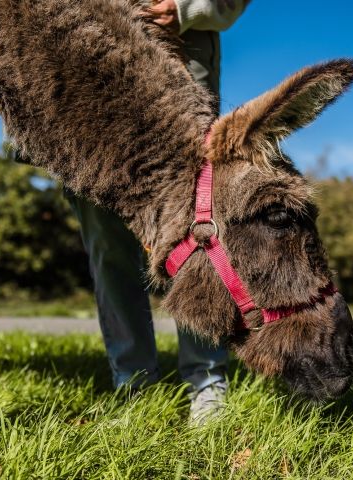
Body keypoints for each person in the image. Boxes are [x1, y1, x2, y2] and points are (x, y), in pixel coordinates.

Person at [68, 0, 249, 421]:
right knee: (101, 222)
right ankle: (133, 382)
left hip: (178, 65)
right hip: (87, 66)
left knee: (196, 226)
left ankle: (206, 379)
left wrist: (186, 8)